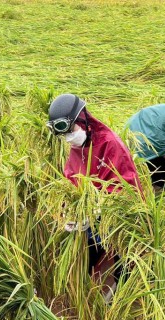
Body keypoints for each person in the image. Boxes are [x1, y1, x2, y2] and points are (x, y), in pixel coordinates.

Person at [48, 93, 140, 283]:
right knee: (86, 259)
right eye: (64, 135)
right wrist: (69, 211)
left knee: (121, 260)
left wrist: (97, 210)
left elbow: (126, 188)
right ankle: (86, 294)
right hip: (88, 218)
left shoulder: (110, 143)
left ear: (83, 120)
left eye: (70, 131)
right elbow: (71, 179)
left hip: (115, 217)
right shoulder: (78, 145)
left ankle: (119, 297)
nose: (68, 138)